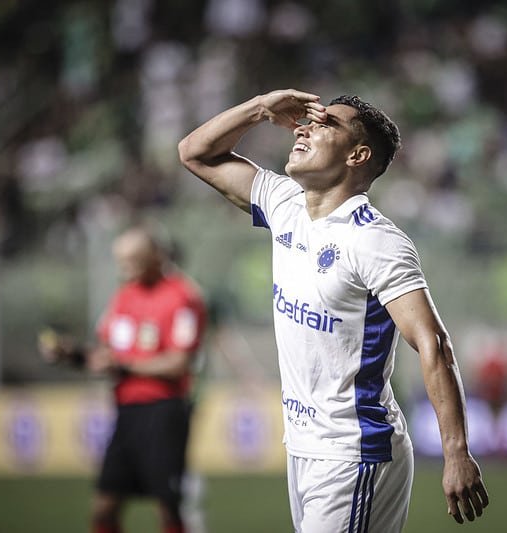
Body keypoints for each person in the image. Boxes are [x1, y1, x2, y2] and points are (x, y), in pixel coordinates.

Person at [178, 89, 489, 532]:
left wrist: (456, 452)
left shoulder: (374, 240)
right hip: (305, 448)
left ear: (358, 154)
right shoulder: (284, 203)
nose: (304, 128)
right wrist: (261, 107)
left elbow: (432, 342)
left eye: (325, 125)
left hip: (353, 450)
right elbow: (194, 153)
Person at [39, 226, 207, 533]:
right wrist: (71, 354)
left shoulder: (183, 296)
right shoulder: (123, 296)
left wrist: (124, 364)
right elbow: (105, 356)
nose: (124, 268)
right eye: (121, 261)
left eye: (132, 260)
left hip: (164, 411)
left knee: (167, 505)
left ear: (155, 257)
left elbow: (178, 363)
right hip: (126, 412)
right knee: (104, 506)